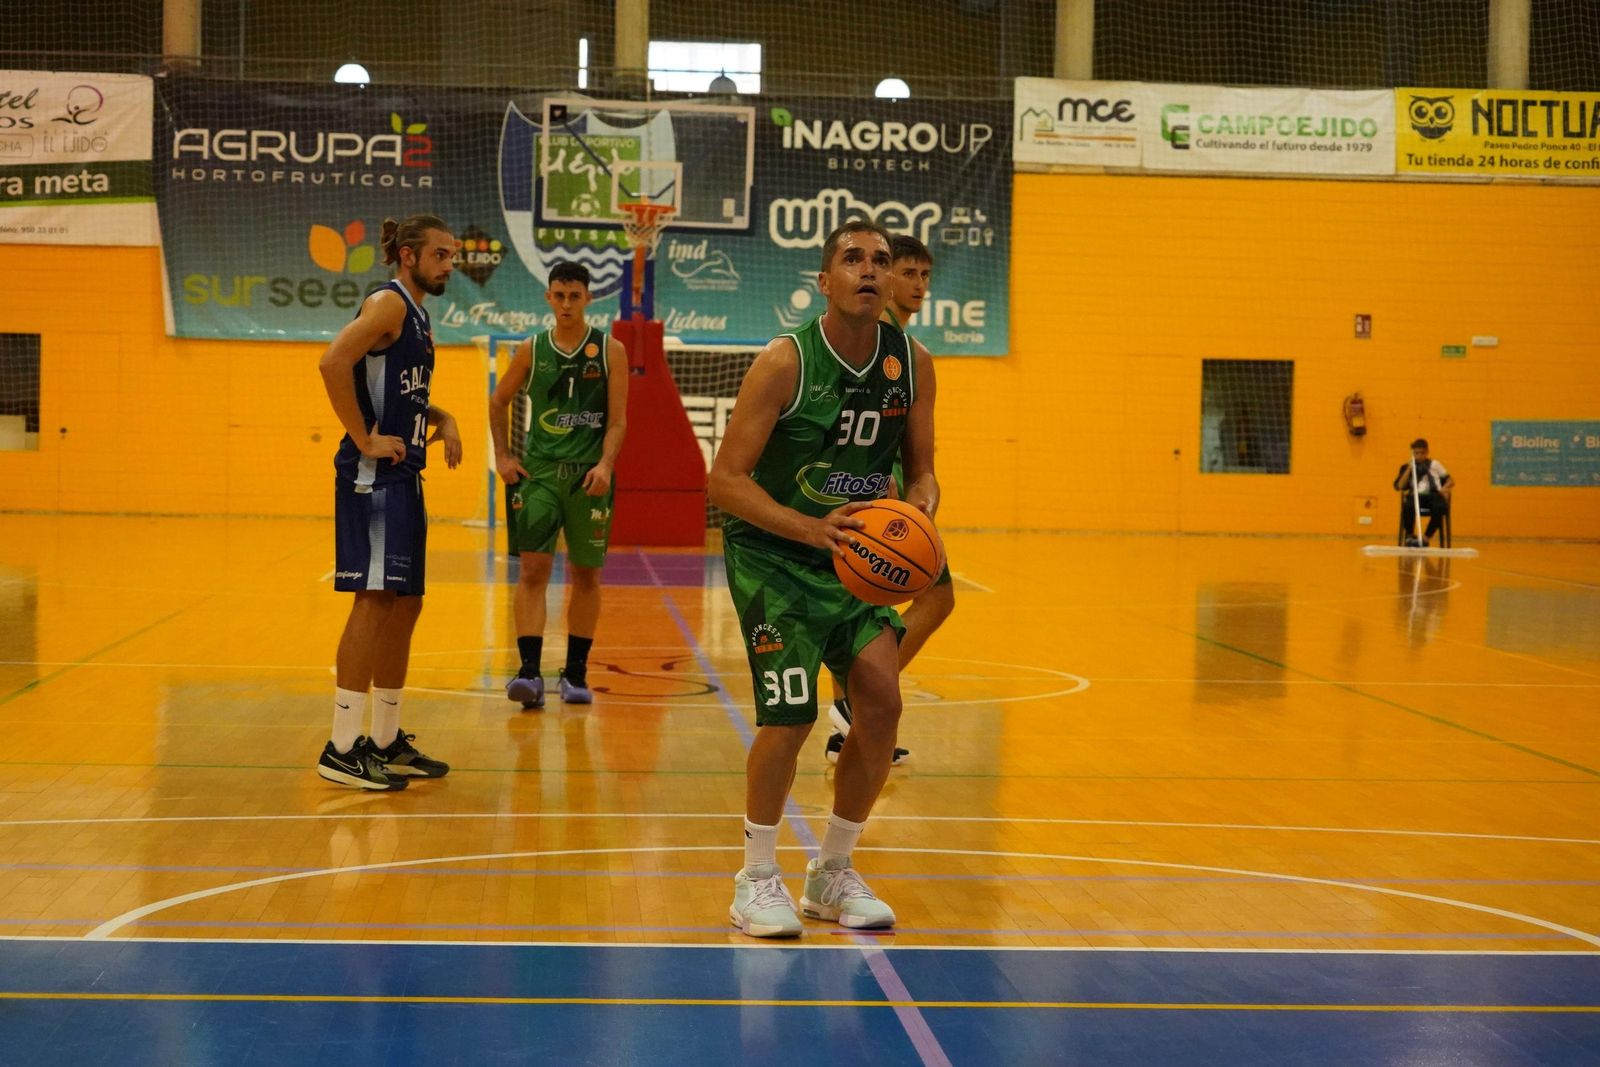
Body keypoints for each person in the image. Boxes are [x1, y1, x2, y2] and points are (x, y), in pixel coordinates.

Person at [710, 219, 938, 937]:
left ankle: (831, 874)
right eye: (852, 259)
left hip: (852, 560)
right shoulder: (785, 362)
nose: (870, 270)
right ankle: (755, 878)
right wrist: (811, 528)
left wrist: (921, 510)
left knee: (882, 702)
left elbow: (924, 467)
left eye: (879, 259)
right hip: (775, 553)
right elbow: (723, 481)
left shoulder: (914, 361)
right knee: (791, 715)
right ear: (825, 280)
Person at [316, 214, 461, 791]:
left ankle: (383, 739)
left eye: (452, 256)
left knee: (406, 606)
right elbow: (332, 363)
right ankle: (341, 748)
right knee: (373, 603)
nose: (451, 264)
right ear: (408, 255)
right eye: (442, 255)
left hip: (405, 478)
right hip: (373, 476)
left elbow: (403, 392)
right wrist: (363, 438)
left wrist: (442, 417)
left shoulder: (418, 315)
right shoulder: (390, 303)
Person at [824, 234, 954, 767]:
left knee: (860, 602)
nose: (918, 285)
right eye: (909, 273)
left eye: (925, 275)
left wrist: (923, 486)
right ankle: (859, 702)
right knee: (936, 598)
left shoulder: (908, 350)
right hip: (874, 504)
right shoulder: (875, 340)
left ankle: (847, 719)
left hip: (895, 500)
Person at [490, 262, 628, 708]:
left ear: (588, 298)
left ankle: (575, 674)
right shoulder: (532, 349)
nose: (566, 303)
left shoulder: (611, 350)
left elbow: (618, 420)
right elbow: (498, 400)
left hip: (590, 477)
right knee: (532, 572)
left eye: (574, 295)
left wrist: (606, 463)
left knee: (586, 575)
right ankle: (529, 672)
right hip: (542, 475)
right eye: (559, 295)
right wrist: (503, 456)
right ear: (548, 298)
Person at [1394, 437, 1454, 546]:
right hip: (1416, 495)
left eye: (1422, 453)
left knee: (1440, 507)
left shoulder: (1435, 464)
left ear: (1427, 452)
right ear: (1413, 454)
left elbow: (1450, 481)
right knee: (1408, 506)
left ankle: (1426, 537)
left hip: (1433, 495)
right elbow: (1400, 486)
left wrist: (1443, 489)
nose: (1419, 456)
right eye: (1416, 453)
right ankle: (1409, 536)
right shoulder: (1407, 466)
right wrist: (1409, 469)